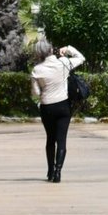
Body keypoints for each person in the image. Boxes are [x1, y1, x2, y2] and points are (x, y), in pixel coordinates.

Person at [28, 40, 85, 183]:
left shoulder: (37, 70)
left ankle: (50, 170)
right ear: (51, 49)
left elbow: (35, 93)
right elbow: (81, 58)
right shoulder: (64, 63)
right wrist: (68, 48)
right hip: (63, 106)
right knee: (61, 140)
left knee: (50, 139)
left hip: (47, 106)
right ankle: (58, 171)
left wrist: (42, 94)